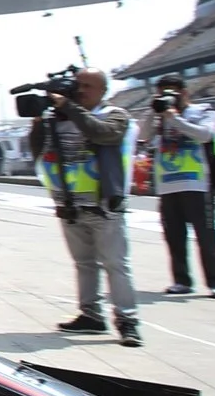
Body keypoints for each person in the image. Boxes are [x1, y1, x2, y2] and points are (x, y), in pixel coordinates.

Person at [30, 68, 144, 347]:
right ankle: (91, 315)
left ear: (103, 91)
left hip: (104, 206)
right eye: (76, 85)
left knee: (116, 265)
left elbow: (103, 134)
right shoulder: (59, 120)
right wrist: (39, 121)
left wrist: (70, 108)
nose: (79, 91)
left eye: (86, 86)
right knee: (83, 264)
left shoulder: (116, 116)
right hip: (70, 205)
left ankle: (127, 321)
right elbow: (38, 152)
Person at [137, 74, 215, 298]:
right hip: (168, 184)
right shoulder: (159, 117)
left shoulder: (205, 112)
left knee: (206, 235)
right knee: (174, 236)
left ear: (184, 93)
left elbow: (205, 135)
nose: (168, 98)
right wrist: (154, 111)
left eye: (172, 93)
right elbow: (141, 135)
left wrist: (175, 119)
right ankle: (181, 280)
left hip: (198, 182)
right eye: (162, 93)